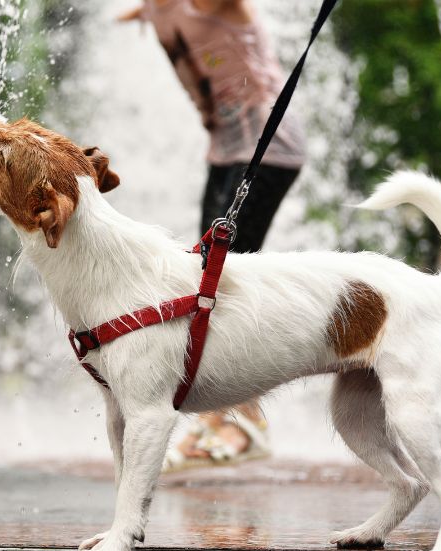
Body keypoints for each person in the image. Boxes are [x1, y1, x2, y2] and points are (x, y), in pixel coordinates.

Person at [120, 0, 306, 468]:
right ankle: (224, 417)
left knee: (219, 281)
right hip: (224, 152)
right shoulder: (155, 11)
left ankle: (242, 423)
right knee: (201, 278)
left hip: (270, 147)